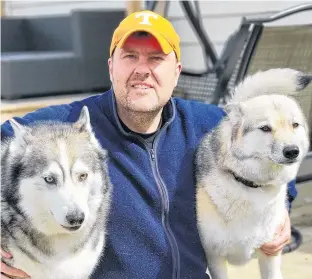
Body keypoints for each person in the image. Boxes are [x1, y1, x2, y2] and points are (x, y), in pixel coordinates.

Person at [1, 10, 294, 279]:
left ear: (176, 71)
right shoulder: (67, 128)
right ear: (111, 67)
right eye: (130, 56)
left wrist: (283, 210)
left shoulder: (209, 126)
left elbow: (272, 154)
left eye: (155, 59)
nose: (142, 69)